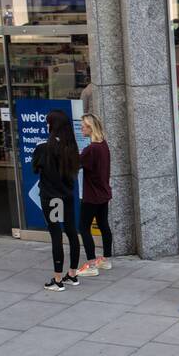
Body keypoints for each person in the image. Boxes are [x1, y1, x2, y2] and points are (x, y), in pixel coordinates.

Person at [32, 108, 82, 292]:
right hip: (67, 196)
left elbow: (35, 168)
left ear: (52, 125)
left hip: (51, 198)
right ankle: (73, 274)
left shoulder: (43, 149)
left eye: (48, 122)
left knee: (56, 235)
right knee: (71, 232)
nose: (46, 125)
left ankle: (58, 278)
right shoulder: (72, 148)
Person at [75, 112, 113, 277]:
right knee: (104, 225)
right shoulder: (103, 145)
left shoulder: (91, 149)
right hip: (103, 192)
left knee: (84, 227)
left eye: (83, 125)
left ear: (90, 128)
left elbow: (76, 164)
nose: (81, 128)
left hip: (91, 195)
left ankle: (91, 265)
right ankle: (105, 259)